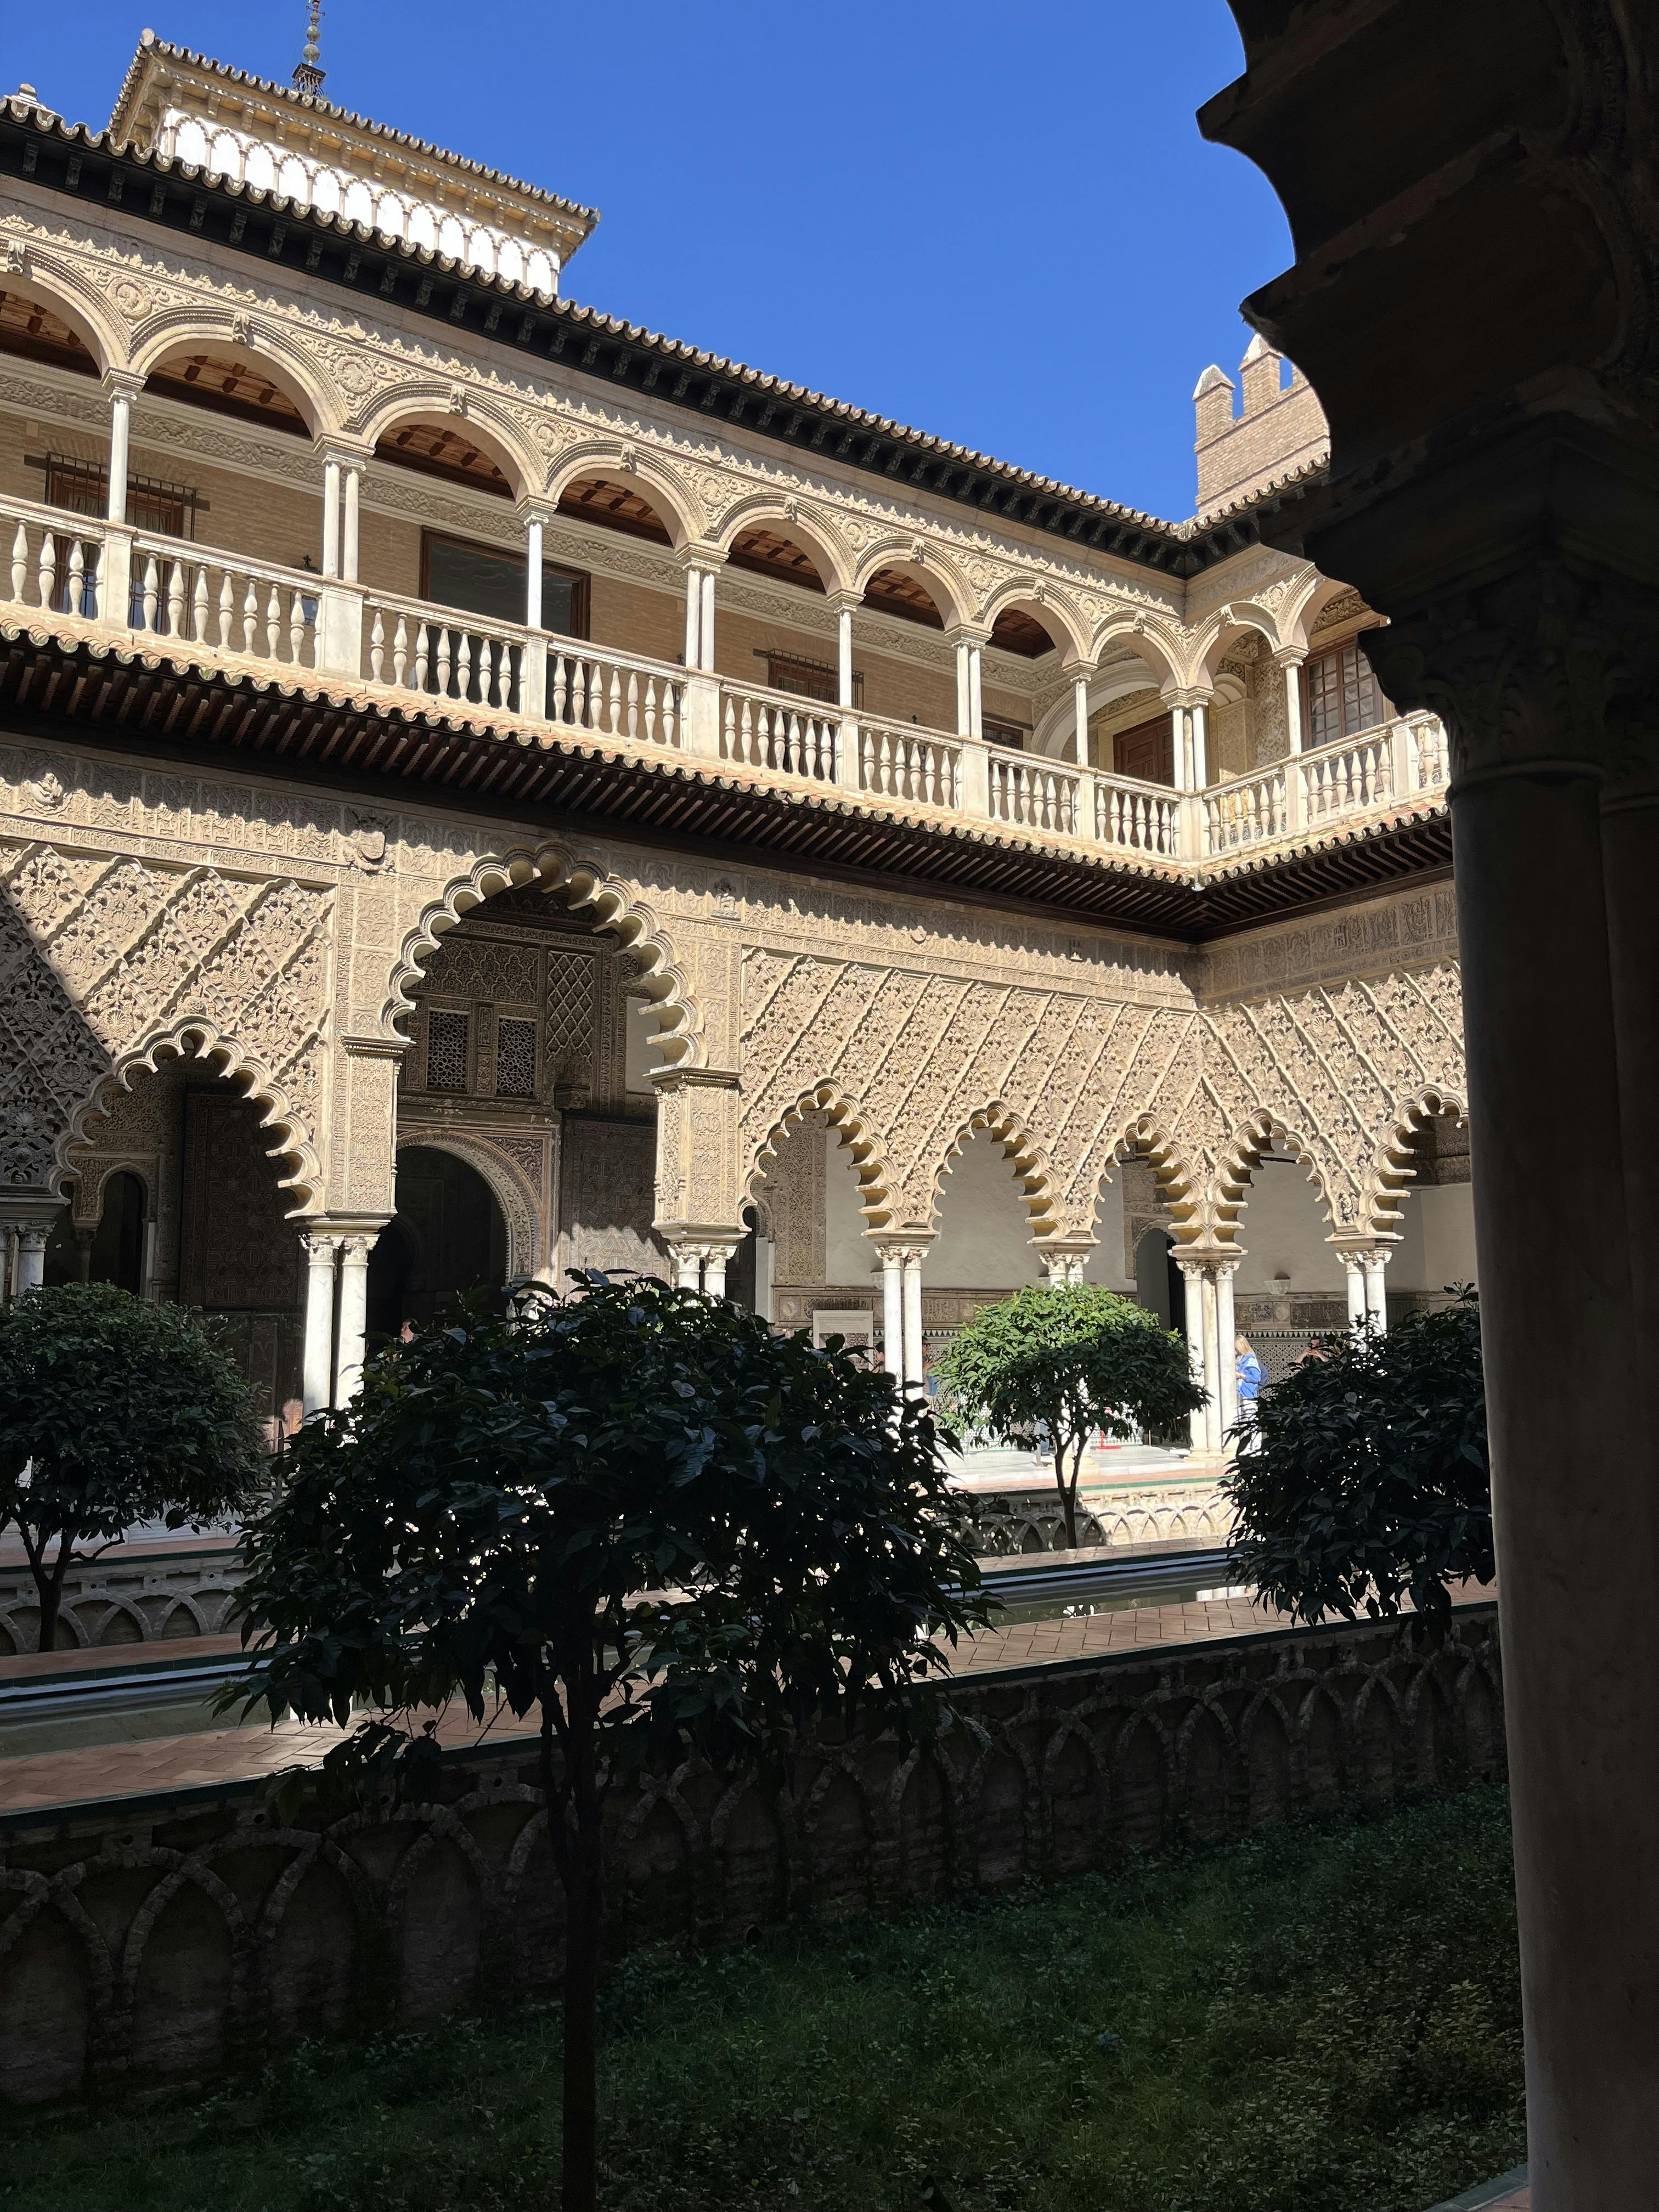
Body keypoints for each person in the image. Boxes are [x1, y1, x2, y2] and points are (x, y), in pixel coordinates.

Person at [1235, 1334, 1263, 1427]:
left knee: (1250, 1418)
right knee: (1240, 1419)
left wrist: (1241, 1376)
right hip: (1238, 1391)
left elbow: (1256, 1378)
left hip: (1248, 1393)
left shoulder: (1251, 1360)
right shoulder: (1238, 1360)